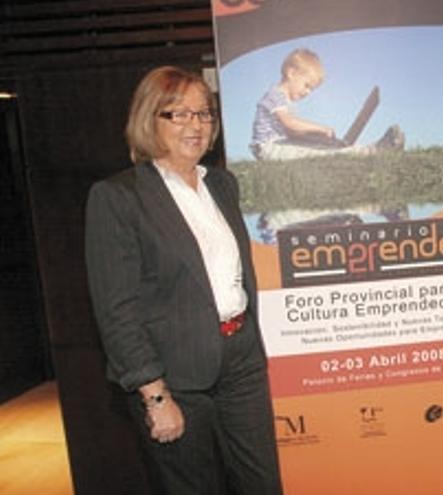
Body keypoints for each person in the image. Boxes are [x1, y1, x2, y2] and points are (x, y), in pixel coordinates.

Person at [85, 66, 283, 494]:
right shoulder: (118, 197)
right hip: (173, 377)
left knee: (264, 485)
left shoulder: (223, 185)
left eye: (205, 114)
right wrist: (155, 396)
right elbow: (117, 311)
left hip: (242, 362)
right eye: (179, 114)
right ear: (149, 120)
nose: (196, 125)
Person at [249, 48, 403, 161]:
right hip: (269, 148)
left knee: (322, 148)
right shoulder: (275, 94)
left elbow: (292, 133)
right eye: (307, 85)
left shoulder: (283, 100)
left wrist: (318, 138)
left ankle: (356, 150)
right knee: (317, 155)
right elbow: (290, 124)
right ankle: (371, 152)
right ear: (292, 73)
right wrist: (320, 128)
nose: (308, 92)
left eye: (311, 89)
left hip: (279, 144)